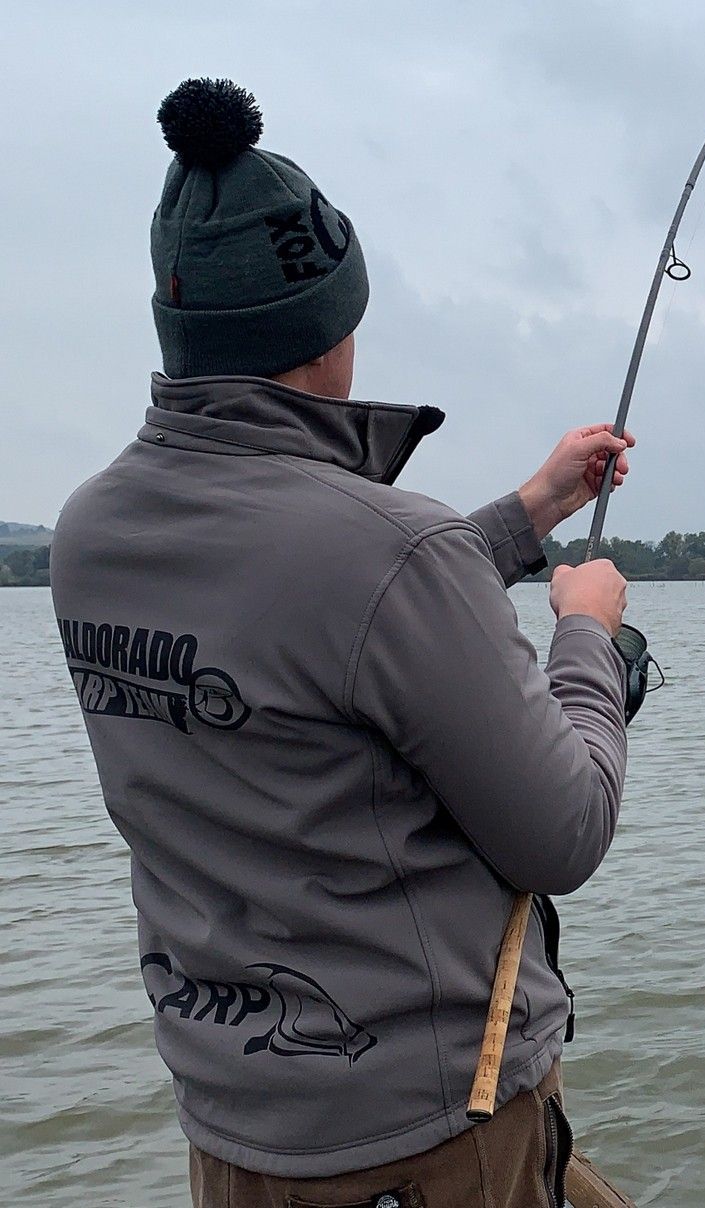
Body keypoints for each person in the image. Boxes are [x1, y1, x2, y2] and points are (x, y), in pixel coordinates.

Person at [50, 78, 636, 1207]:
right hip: (426, 1143)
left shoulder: (91, 535)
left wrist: (528, 511)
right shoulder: (386, 553)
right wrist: (586, 636)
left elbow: (310, 617)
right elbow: (565, 829)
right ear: (330, 329)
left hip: (236, 1139)